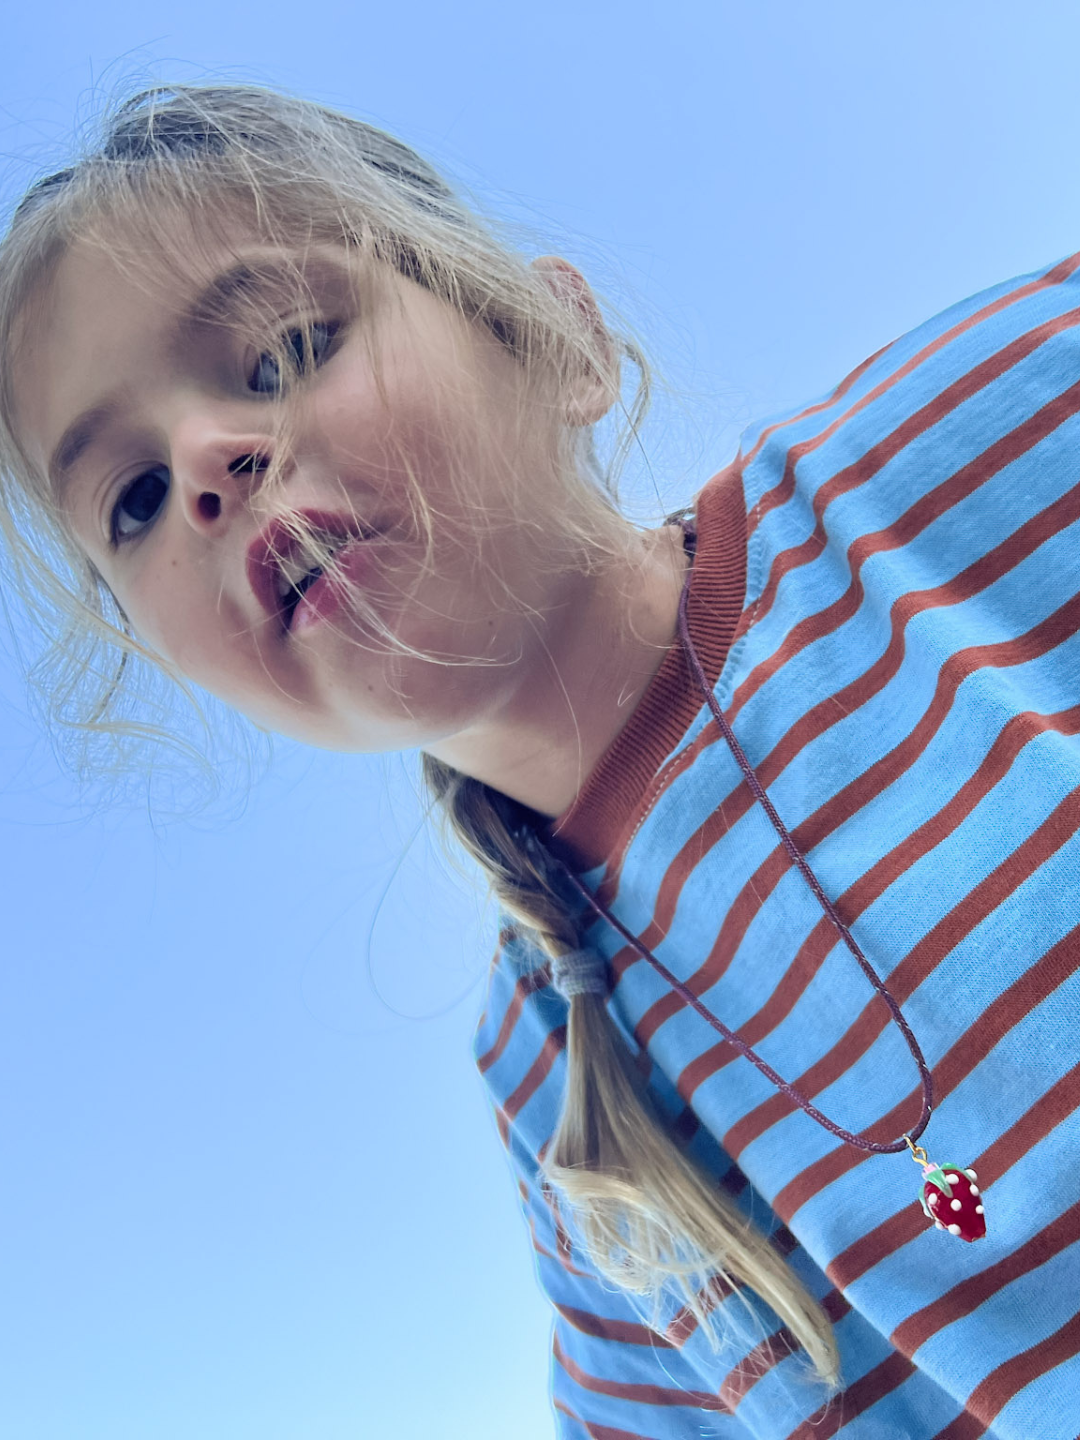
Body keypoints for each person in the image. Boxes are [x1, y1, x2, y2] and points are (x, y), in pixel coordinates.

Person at [1, 84, 1078, 1439]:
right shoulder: (551, 1090)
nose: (208, 463)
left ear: (559, 337)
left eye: (283, 349)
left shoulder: (974, 447)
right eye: (135, 500)